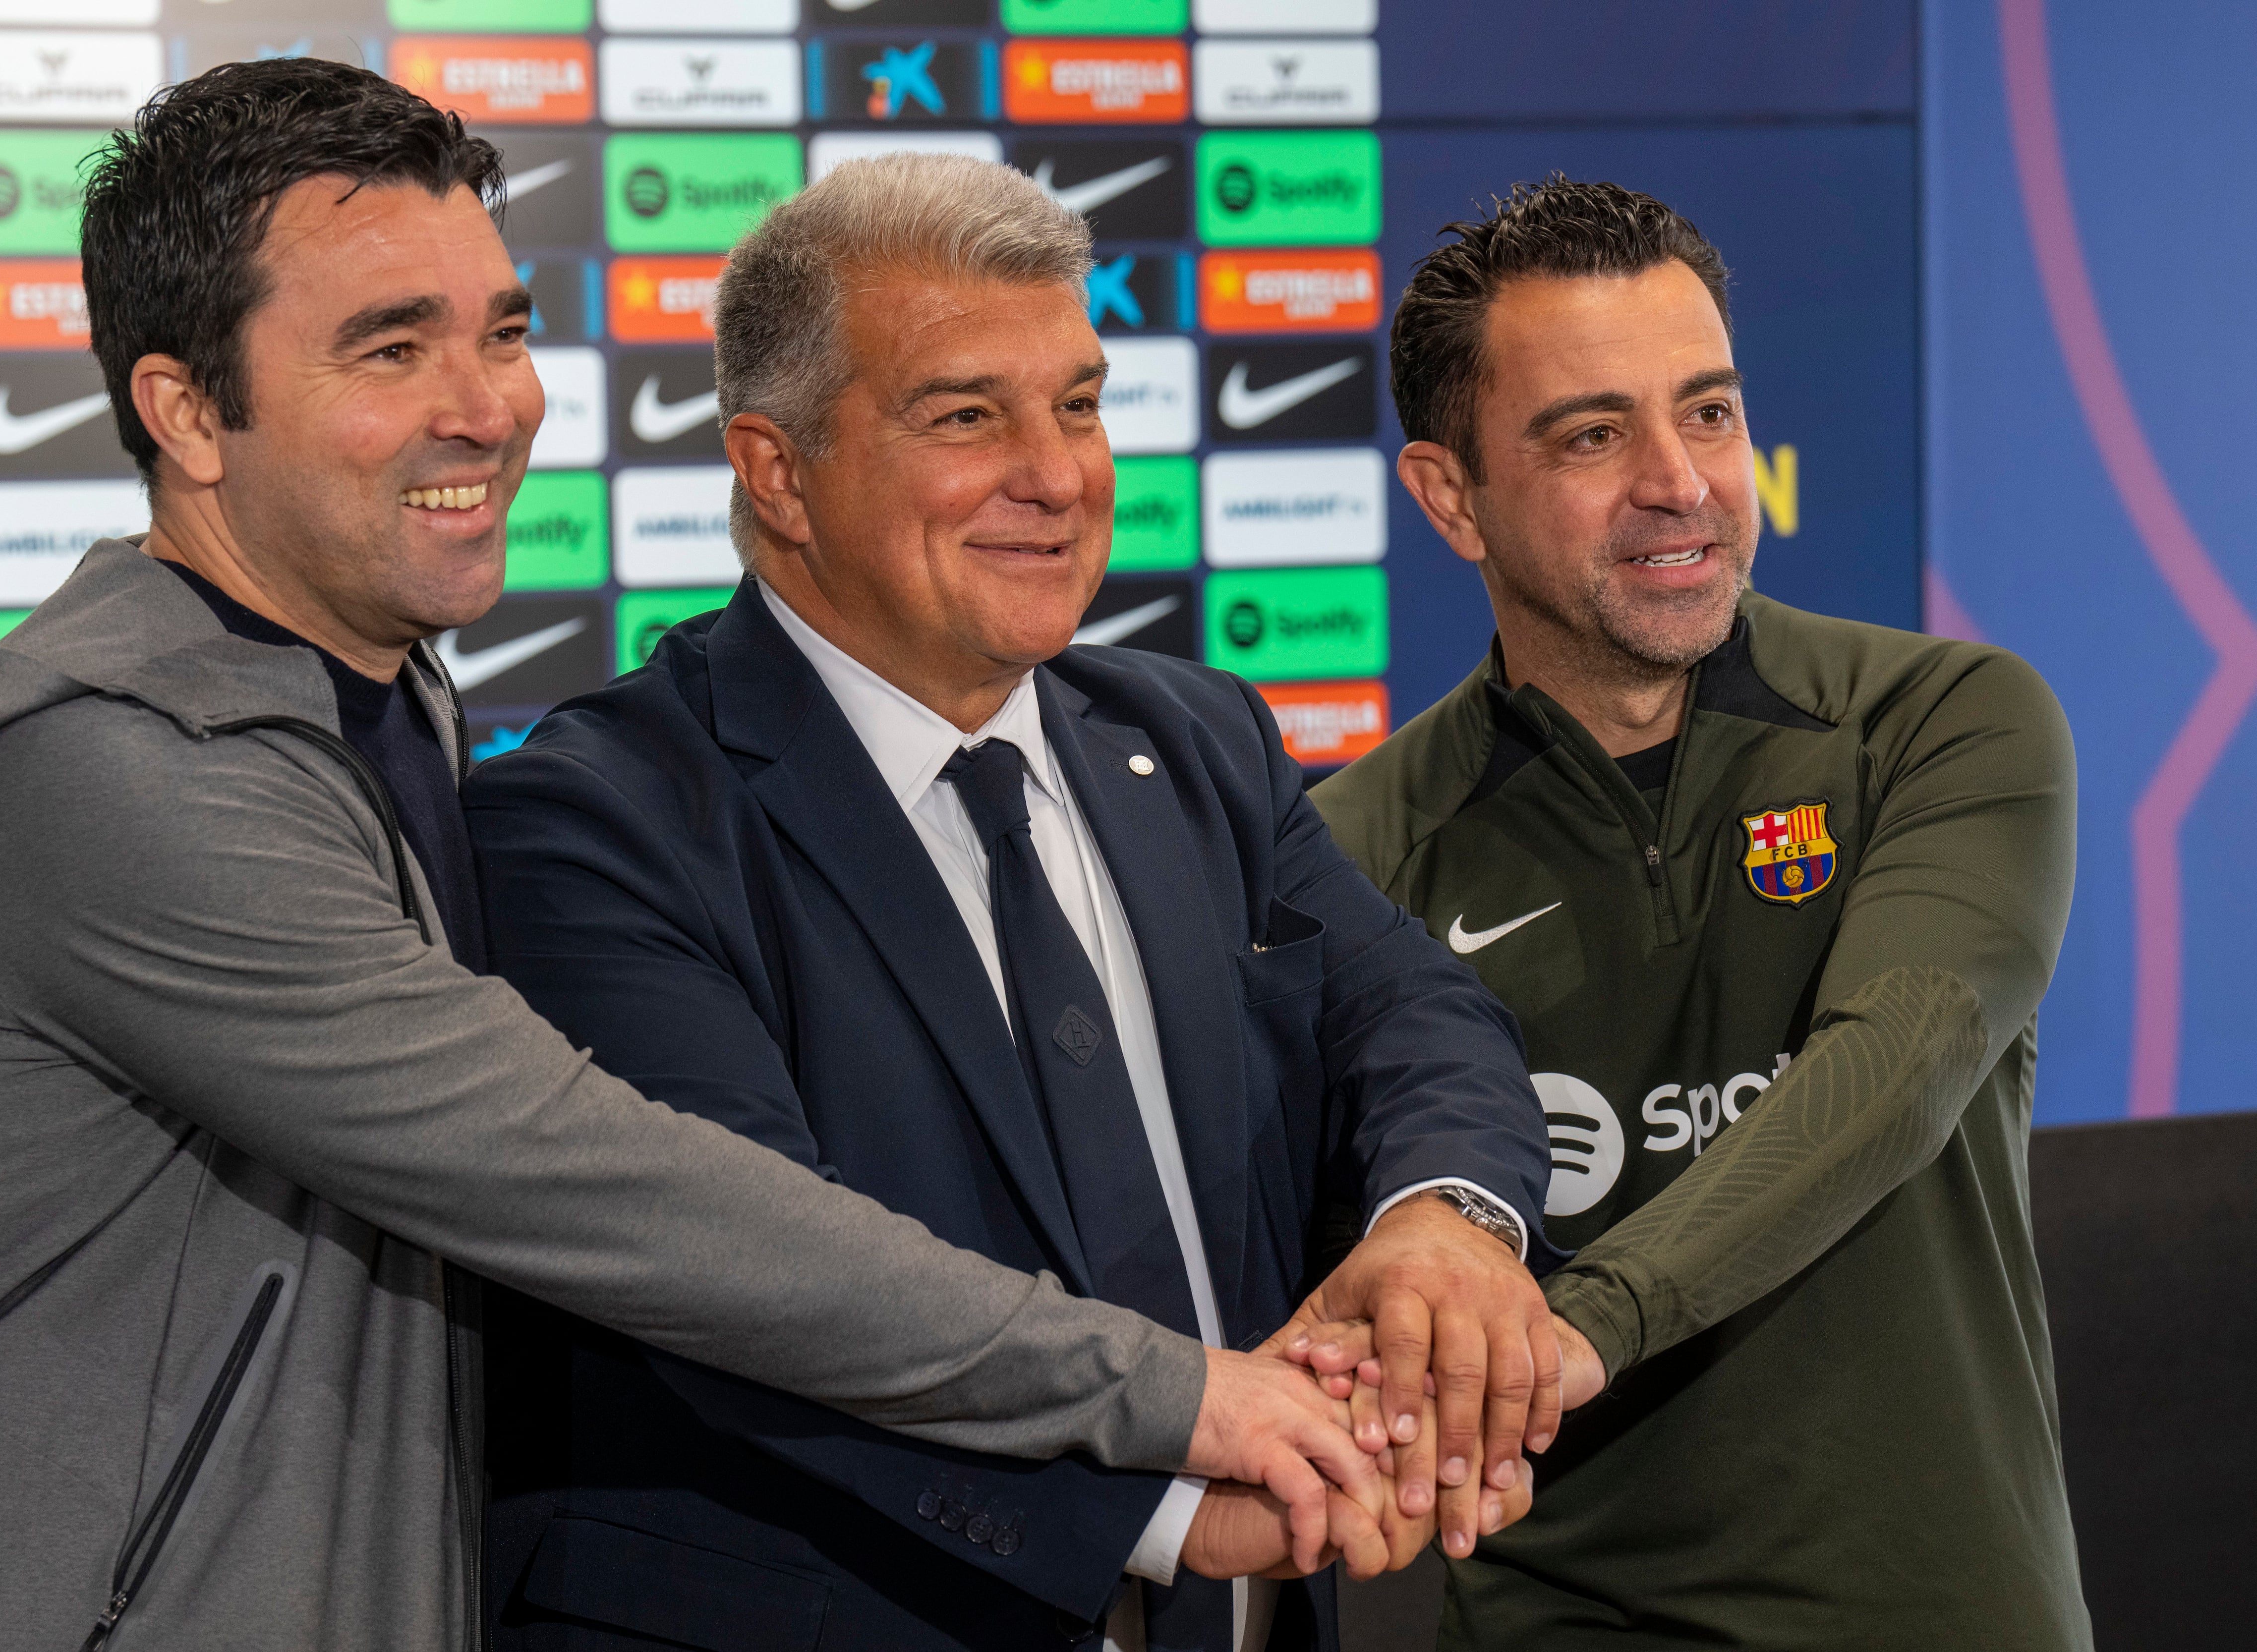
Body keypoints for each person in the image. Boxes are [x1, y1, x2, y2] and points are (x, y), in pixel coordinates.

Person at [0, 62, 1382, 1652]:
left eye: (504, 329)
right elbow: (613, 1191)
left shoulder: (371, 694)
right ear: (188, 413)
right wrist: (1175, 1400)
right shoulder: (112, 775)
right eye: (391, 347)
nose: (487, 403)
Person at [463, 152, 1566, 1652]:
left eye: (1081, 402)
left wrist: (1445, 1226)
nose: (1057, 475)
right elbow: (760, 1298)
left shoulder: (1197, 740)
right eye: (966, 414)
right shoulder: (592, 823)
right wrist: (1170, 1500)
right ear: (778, 472)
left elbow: (1419, 1016)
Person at [1310, 175, 2091, 1649]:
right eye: (1596, 434)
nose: (1681, 481)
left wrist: (1575, 1330)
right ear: (1449, 496)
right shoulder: (1353, 850)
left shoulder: (1943, 721)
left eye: (1712, 412)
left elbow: (1901, 1060)